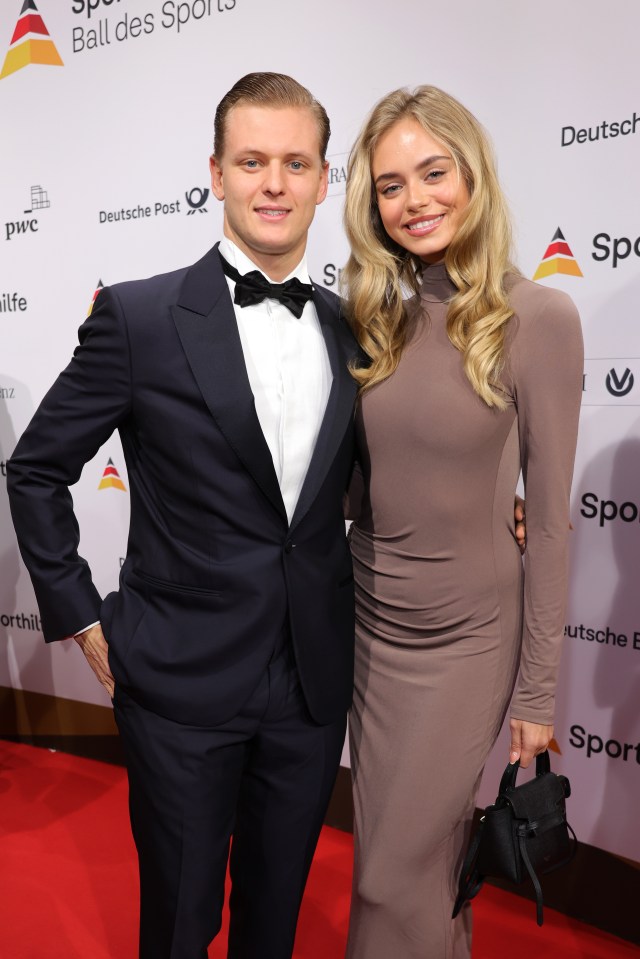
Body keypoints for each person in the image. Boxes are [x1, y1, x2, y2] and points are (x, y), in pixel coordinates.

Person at [7, 73, 362, 959]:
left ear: (327, 179)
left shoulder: (357, 330)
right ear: (216, 171)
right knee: (177, 926)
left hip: (311, 687)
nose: (273, 183)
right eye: (252, 161)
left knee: (272, 924)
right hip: (178, 682)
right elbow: (36, 467)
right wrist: (81, 612)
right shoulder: (138, 317)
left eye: (294, 162)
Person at [341, 85, 583, 959]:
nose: (415, 201)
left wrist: (538, 694)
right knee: (407, 865)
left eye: (433, 172)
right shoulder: (375, 318)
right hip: (371, 629)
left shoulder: (539, 318)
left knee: (389, 875)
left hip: (466, 641)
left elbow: (550, 524)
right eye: (390, 185)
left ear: (472, 174)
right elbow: (360, 488)